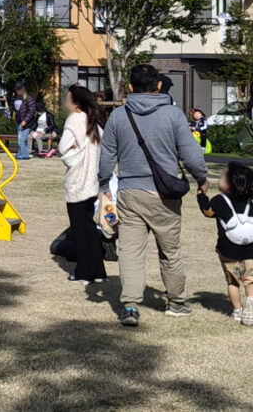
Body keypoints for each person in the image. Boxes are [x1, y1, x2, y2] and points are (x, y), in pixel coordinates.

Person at [98, 64, 209, 328]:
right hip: (165, 196)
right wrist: (202, 179)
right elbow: (192, 155)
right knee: (170, 251)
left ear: (131, 87)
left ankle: (130, 306)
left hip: (130, 192)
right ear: (158, 86)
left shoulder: (119, 116)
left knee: (131, 252)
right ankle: (176, 302)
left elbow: (106, 157)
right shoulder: (173, 115)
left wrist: (103, 185)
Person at [59, 85, 108, 284]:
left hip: (77, 181)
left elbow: (62, 147)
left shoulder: (74, 120)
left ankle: (84, 272)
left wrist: (73, 146)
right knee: (89, 227)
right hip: (92, 182)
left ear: (76, 103)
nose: (65, 102)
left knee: (79, 229)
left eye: (68, 99)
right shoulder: (94, 120)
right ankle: (98, 271)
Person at [198, 161, 253, 325]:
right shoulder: (249, 204)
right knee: (250, 279)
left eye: (222, 176)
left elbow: (207, 212)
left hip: (228, 251)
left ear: (230, 184)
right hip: (250, 251)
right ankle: (251, 302)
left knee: (233, 281)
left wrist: (201, 195)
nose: (219, 179)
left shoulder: (220, 201)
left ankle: (237, 310)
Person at [13, 81, 36, 161]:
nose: (18, 91)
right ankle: (24, 154)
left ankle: (22, 155)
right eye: (17, 89)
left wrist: (25, 121)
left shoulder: (28, 98)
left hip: (27, 123)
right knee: (20, 140)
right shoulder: (16, 98)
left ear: (23, 89)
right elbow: (15, 109)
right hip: (19, 122)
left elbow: (32, 110)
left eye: (20, 89)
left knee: (22, 140)